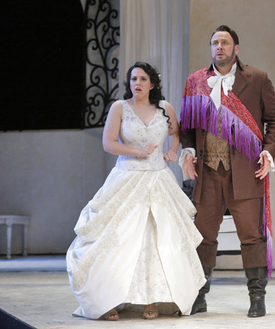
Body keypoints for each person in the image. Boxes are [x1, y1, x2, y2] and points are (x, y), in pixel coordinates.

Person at [66, 62, 206, 321]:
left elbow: (176, 134)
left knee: (155, 238)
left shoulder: (166, 108)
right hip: (127, 177)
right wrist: (137, 152)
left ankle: (151, 298)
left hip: (158, 178)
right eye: (133, 79)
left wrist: (173, 150)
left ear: (152, 83)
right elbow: (109, 144)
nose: (137, 83)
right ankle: (107, 299)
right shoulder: (120, 107)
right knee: (118, 238)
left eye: (142, 79)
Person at [179, 25, 275, 317]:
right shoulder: (196, 81)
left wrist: (269, 151)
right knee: (203, 235)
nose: (219, 47)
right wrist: (187, 152)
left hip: (245, 170)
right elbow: (187, 127)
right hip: (207, 171)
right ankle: (199, 296)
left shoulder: (257, 79)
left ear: (236, 48)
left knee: (252, 235)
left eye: (225, 42)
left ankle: (257, 297)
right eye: (214, 43)